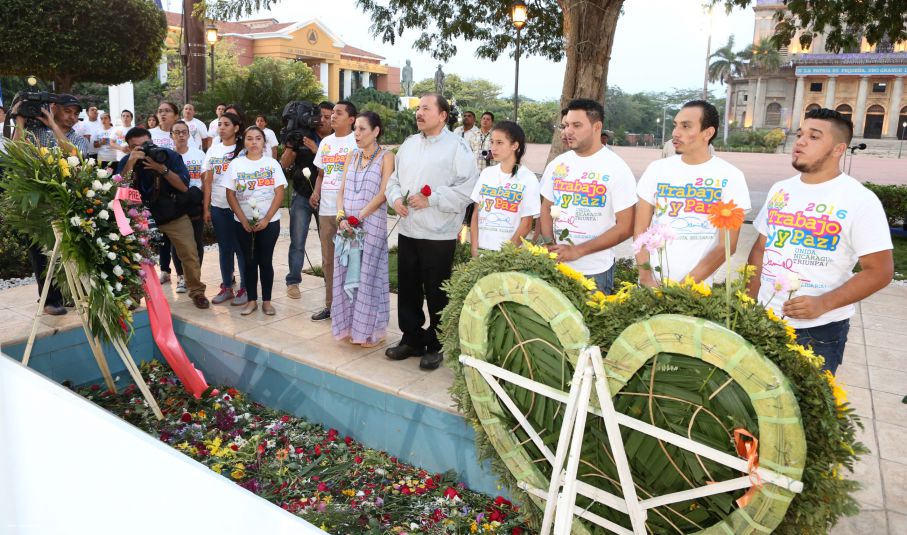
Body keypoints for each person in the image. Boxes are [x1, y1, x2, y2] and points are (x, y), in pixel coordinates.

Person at [747, 108, 893, 375]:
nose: (800, 141)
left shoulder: (859, 200)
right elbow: (760, 249)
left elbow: (880, 271)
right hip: (764, 321)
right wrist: (749, 301)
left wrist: (823, 304)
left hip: (817, 332)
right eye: (800, 134)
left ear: (838, 149)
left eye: (814, 137)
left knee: (806, 413)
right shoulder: (781, 189)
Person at [384, 93, 479, 370]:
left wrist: (432, 198)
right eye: (418, 109)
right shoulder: (410, 144)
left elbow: (467, 188)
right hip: (409, 228)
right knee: (409, 288)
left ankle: (436, 344)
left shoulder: (457, 148)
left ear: (442, 115)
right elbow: (394, 180)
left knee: (437, 291)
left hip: (439, 232)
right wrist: (396, 199)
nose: (419, 113)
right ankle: (411, 338)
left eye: (426, 108)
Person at [634, 100, 750, 285]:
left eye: (686, 126)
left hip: (695, 292)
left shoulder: (730, 177)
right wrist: (646, 276)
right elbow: (640, 231)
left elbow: (726, 246)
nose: (676, 133)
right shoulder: (656, 170)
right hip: (650, 287)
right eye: (675, 125)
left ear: (708, 133)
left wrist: (683, 288)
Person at [539, 98, 636, 295]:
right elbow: (546, 209)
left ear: (596, 127)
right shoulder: (557, 165)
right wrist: (550, 245)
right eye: (566, 125)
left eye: (576, 125)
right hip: (556, 268)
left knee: (590, 324)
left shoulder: (617, 168)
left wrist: (577, 251)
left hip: (595, 272)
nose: (568, 131)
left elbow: (626, 226)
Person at [10, 94, 89, 316]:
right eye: (68, 111)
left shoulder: (79, 138)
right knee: (41, 252)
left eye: (75, 114)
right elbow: (15, 152)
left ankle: (69, 293)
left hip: (66, 201)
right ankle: (49, 300)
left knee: (67, 251)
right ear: (53, 107)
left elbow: (74, 156)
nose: (73, 117)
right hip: (37, 203)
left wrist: (53, 125)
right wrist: (20, 121)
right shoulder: (35, 133)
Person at [117, 127, 210, 309]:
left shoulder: (169, 156)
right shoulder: (126, 161)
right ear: (129, 148)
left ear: (152, 141)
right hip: (141, 218)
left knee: (190, 253)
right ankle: (134, 296)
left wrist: (162, 169)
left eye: (146, 144)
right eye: (136, 147)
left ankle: (197, 292)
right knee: (135, 257)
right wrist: (130, 163)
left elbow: (184, 186)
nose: (143, 149)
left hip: (173, 214)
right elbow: (119, 189)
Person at [332, 111, 395, 346]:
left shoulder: (387, 157)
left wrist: (358, 218)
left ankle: (369, 331)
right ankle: (349, 327)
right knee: (346, 274)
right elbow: (341, 191)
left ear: (376, 131)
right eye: (355, 129)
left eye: (362, 129)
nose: (356, 134)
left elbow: (383, 192)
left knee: (368, 277)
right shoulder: (352, 156)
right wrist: (341, 217)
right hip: (347, 226)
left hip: (371, 225)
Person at [224, 126, 286, 316]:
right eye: (249, 139)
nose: (254, 142)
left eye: (258, 138)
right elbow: (230, 193)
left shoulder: (272, 164)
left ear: (264, 142)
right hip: (243, 223)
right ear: (244, 142)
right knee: (249, 262)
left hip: (269, 222)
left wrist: (267, 218)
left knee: (265, 262)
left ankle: (266, 301)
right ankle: (251, 300)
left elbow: (279, 192)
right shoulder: (236, 164)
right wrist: (243, 220)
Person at [309, 100, 358, 321]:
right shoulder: (326, 142)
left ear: (351, 119)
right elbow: (321, 173)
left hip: (348, 211)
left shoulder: (356, 142)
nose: (333, 116)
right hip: (326, 210)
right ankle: (331, 305)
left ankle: (352, 307)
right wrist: (316, 192)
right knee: (328, 260)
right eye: (332, 113)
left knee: (350, 259)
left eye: (339, 113)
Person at [284, 101, 334, 299]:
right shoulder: (302, 135)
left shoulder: (336, 142)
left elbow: (333, 168)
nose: (322, 120)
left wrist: (316, 150)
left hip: (327, 199)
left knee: (329, 243)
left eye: (328, 117)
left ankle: (329, 281)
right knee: (297, 241)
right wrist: (290, 145)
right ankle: (293, 281)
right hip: (302, 196)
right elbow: (284, 164)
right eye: (319, 115)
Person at [469, 120, 539, 255]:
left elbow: (526, 223)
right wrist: (474, 248)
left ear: (515, 145)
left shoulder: (528, 178)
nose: (493, 148)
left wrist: (504, 255)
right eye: (492, 142)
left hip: (507, 255)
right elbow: (476, 213)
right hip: (481, 252)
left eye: (499, 142)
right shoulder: (486, 173)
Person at [202, 112, 248, 305]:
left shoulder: (244, 150)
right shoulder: (213, 149)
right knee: (224, 248)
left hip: (239, 208)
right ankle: (227, 287)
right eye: (219, 124)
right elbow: (208, 180)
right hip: (218, 206)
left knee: (241, 249)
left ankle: (246, 288)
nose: (221, 127)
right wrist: (206, 208)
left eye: (226, 124)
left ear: (236, 128)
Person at [160, 120, 206, 294]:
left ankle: (194, 277)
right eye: (177, 132)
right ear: (171, 135)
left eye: (184, 132)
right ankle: (181, 277)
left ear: (188, 134)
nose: (181, 135)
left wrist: (202, 200)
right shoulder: (167, 156)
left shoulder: (199, 154)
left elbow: (205, 180)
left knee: (196, 241)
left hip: (195, 202)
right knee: (177, 242)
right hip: (176, 204)